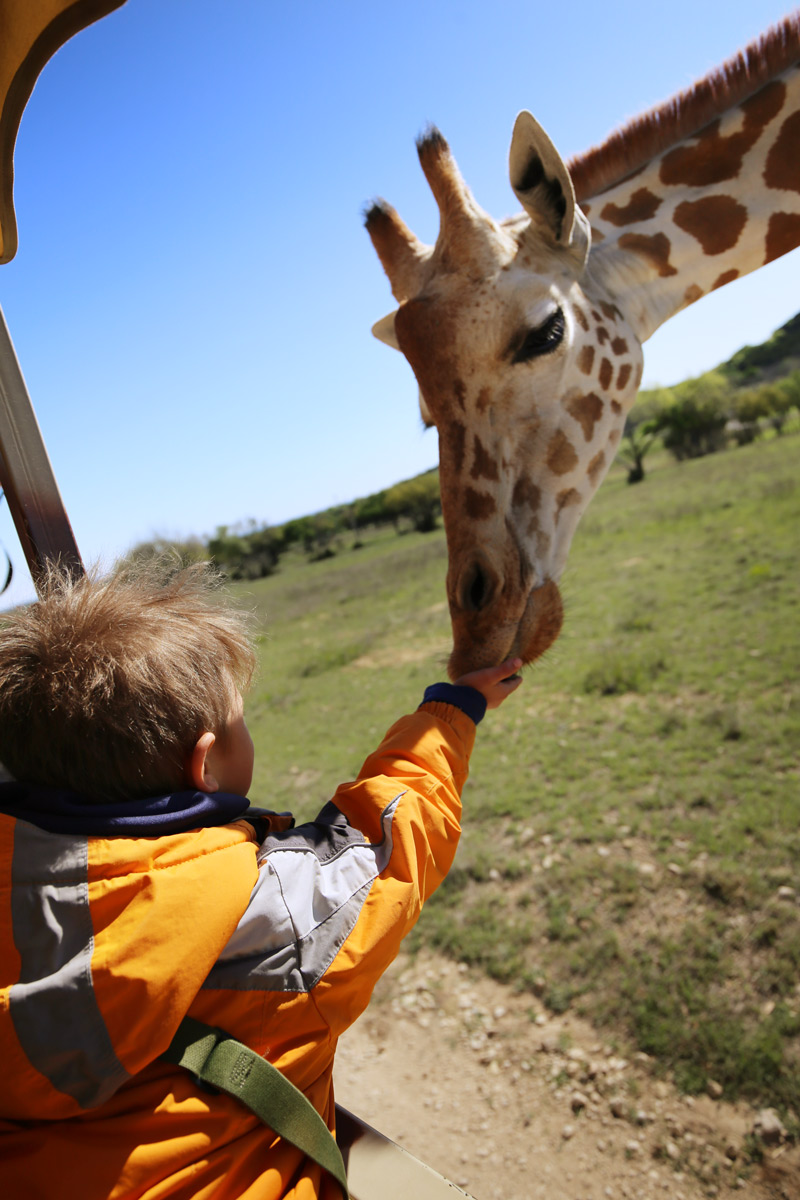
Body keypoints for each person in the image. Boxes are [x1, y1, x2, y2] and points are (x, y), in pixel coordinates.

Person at [0, 561, 522, 1200]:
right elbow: (394, 833)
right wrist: (454, 708)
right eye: (238, 721)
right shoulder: (278, 914)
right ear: (205, 764)